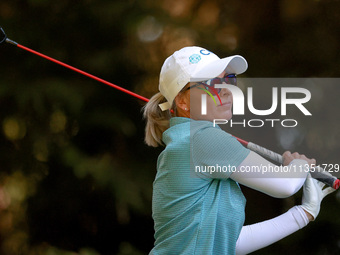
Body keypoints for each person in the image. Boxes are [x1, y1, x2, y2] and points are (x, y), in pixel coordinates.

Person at [143, 46, 335, 254]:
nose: (226, 90)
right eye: (213, 83)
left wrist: (301, 215)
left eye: (228, 80)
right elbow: (286, 185)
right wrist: (298, 165)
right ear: (183, 101)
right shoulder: (201, 138)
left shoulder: (189, 142)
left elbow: (227, 243)